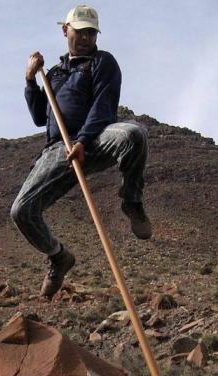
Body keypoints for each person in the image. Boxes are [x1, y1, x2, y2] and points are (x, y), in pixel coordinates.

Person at [11, 4, 152, 299]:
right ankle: (58, 256)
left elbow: (104, 106)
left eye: (91, 33)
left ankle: (132, 202)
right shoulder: (55, 73)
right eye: (81, 32)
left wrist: (84, 141)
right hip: (57, 150)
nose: (86, 38)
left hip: (96, 138)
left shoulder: (103, 62)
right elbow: (40, 117)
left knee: (133, 134)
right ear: (66, 31)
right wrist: (30, 81)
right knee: (21, 211)